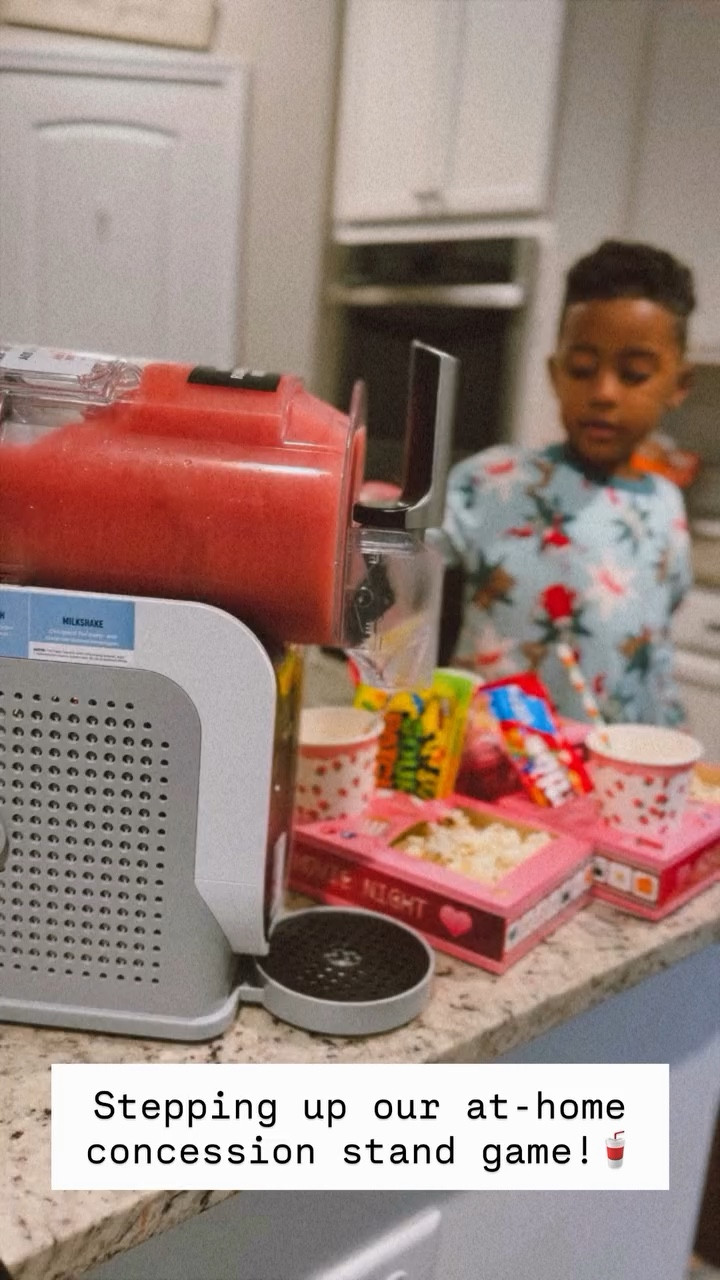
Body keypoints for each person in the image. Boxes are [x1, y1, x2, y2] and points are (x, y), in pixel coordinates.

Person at [443, 239, 696, 726]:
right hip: (495, 767)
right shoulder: (491, 479)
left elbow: (656, 654)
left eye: (634, 373)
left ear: (679, 385)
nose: (603, 392)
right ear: (554, 373)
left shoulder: (667, 506)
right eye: (582, 369)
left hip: (614, 776)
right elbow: (396, 577)